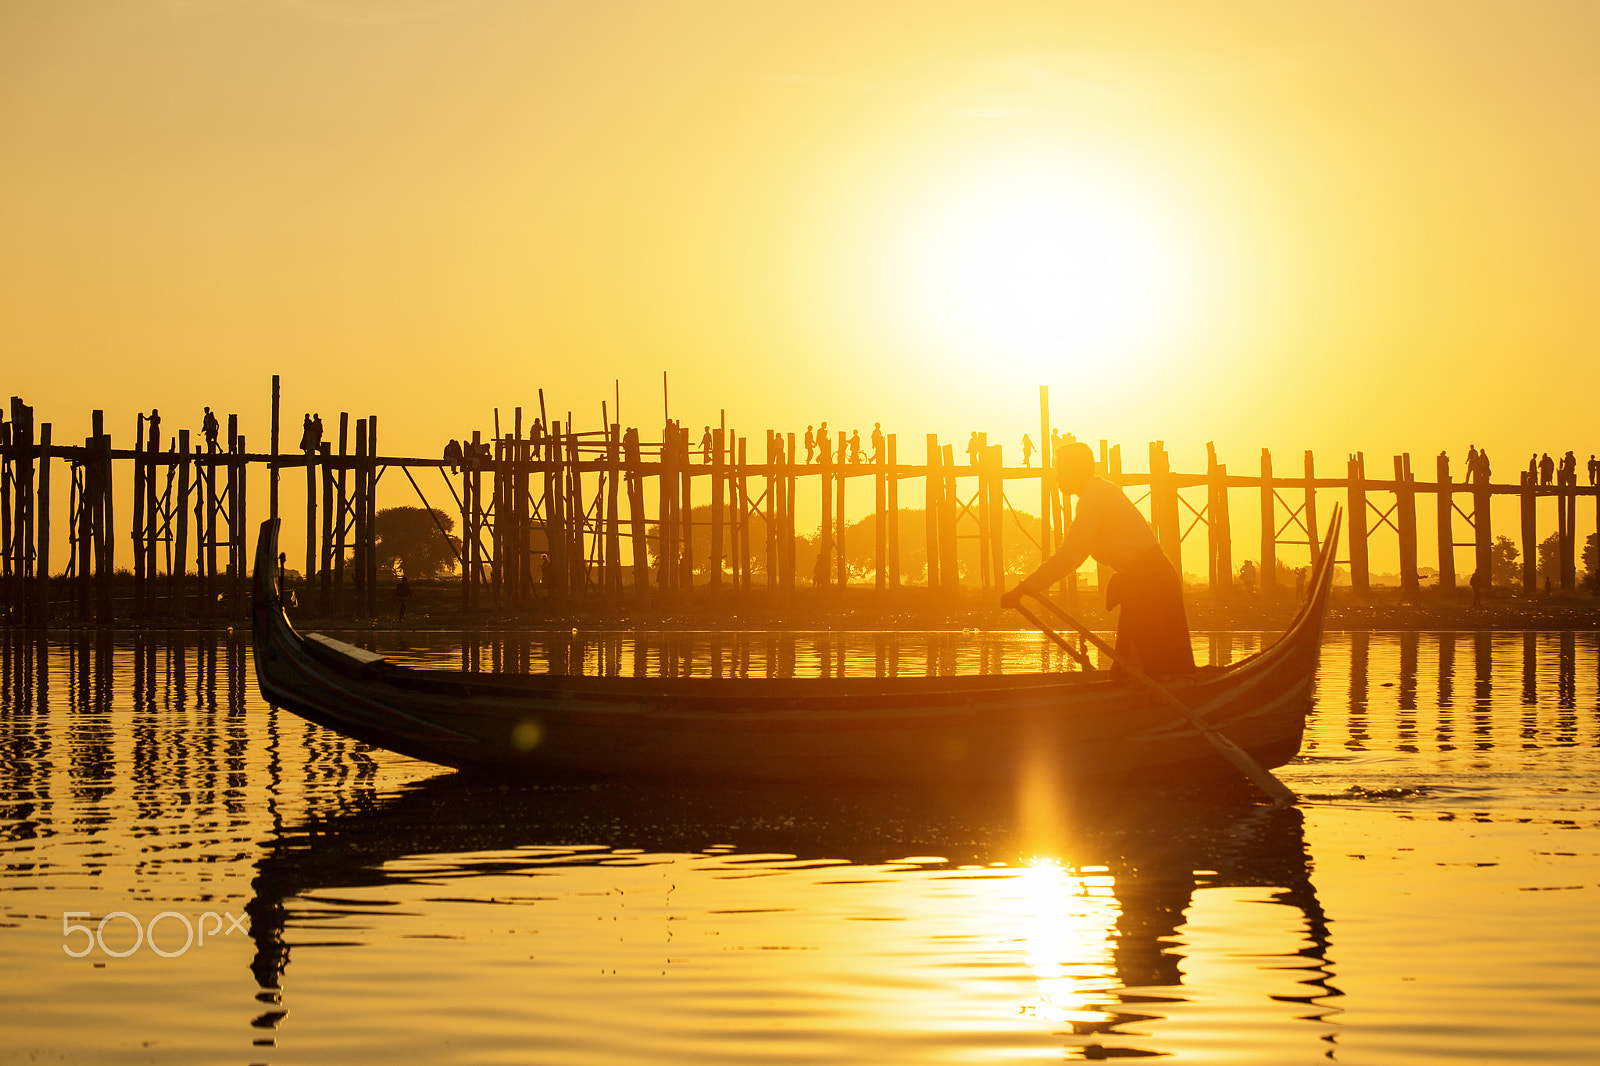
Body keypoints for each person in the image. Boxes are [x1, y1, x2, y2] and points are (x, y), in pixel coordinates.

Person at [1001, 441, 1195, 679]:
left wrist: (1025, 588)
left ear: (1076, 470)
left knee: (1153, 672)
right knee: (1134, 670)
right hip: (1145, 585)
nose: (1057, 478)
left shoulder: (1095, 496)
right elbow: (1072, 556)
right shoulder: (1096, 493)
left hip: (1152, 586)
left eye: (1060, 470)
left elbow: (1069, 556)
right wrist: (1027, 588)